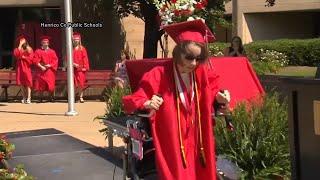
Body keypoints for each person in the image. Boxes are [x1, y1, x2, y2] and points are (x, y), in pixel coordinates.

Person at [122, 20, 230, 180]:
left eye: (198, 58)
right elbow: (133, 99)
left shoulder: (202, 74)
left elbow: (214, 93)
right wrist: (148, 103)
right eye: (189, 57)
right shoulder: (159, 74)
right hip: (172, 139)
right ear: (178, 52)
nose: (194, 63)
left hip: (198, 138)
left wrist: (220, 98)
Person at [33, 35, 58, 102]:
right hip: (41, 70)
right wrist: (41, 66)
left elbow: (55, 60)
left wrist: (49, 65)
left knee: (50, 84)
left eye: (46, 42)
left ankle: (51, 97)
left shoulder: (52, 51)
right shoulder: (38, 51)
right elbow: (35, 60)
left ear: (48, 43)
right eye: (44, 42)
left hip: (49, 71)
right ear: (41, 43)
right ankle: (40, 98)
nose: (45, 43)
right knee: (40, 84)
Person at [13, 35, 34, 104]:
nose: (22, 42)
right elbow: (16, 55)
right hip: (20, 67)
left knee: (28, 83)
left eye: (23, 40)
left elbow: (31, 59)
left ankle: (29, 98)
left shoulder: (29, 48)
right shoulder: (17, 48)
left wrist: (24, 57)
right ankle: (23, 98)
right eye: (20, 41)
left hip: (26, 67)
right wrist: (20, 45)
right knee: (21, 83)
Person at [72, 32, 90, 103]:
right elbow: (68, 58)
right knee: (73, 83)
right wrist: (72, 64)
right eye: (75, 39)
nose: (76, 40)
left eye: (77, 39)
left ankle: (81, 97)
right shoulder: (71, 49)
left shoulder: (82, 49)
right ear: (73, 40)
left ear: (79, 40)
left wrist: (85, 67)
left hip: (80, 69)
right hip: (73, 70)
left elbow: (85, 58)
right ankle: (73, 97)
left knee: (81, 84)